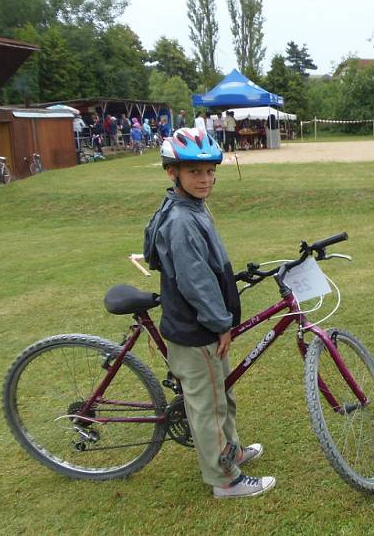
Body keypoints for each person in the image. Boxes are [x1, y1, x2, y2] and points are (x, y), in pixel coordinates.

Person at [143, 127, 276, 499]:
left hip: (200, 324)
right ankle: (224, 480)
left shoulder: (188, 207)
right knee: (208, 405)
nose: (205, 179)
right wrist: (220, 324)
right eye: (194, 172)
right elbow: (195, 281)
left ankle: (229, 451)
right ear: (173, 172)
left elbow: (205, 265)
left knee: (220, 394)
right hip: (196, 329)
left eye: (209, 171)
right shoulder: (182, 219)